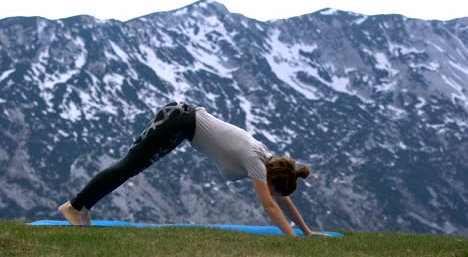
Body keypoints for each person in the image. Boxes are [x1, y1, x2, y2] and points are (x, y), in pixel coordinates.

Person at [59, 101, 326, 237]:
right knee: (128, 166)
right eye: (274, 188)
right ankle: (73, 205)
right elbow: (269, 205)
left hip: (182, 122)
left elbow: (281, 198)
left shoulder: (268, 159)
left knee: (130, 168)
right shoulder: (256, 161)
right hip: (179, 120)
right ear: (271, 179)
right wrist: (293, 240)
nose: (274, 193)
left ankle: (82, 208)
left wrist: (307, 232)